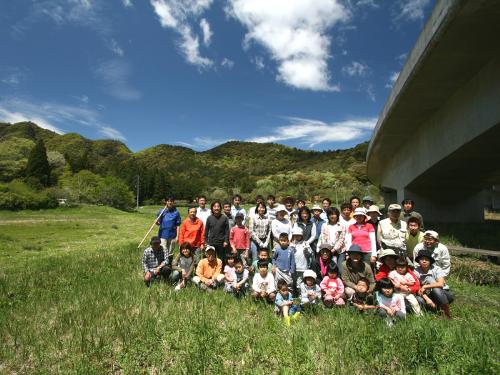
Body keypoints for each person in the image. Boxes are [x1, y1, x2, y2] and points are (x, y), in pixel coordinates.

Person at [414, 250, 454, 319]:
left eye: (426, 259)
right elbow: (417, 288)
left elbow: (441, 284)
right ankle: (433, 308)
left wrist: (426, 286)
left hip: (443, 294)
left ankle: (446, 314)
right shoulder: (416, 271)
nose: (424, 261)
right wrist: (427, 299)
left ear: (430, 261)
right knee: (419, 299)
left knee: (436, 289)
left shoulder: (436, 269)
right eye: (422, 259)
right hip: (427, 294)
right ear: (418, 261)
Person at [319, 207, 346, 273]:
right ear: (328, 216)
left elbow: (341, 239)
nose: (332, 216)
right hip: (328, 250)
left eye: (334, 214)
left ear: (337, 215)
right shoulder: (324, 225)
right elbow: (323, 238)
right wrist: (327, 249)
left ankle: (339, 282)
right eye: (330, 214)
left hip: (340, 250)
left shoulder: (342, 225)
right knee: (329, 269)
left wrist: (334, 249)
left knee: (340, 269)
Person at [155, 196, 181, 263]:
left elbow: (178, 225)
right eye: (168, 201)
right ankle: (162, 265)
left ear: (173, 202)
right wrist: (156, 222)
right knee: (163, 250)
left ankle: (169, 265)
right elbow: (158, 223)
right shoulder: (161, 211)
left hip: (172, 235)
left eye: (171, 201)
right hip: (163, 235)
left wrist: (177, 236)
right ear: (166, 202)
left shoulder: (176, 212)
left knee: (170, 252)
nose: (170, 202)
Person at [290, 227, 313, 292]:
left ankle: (300, 293)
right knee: (293, 280)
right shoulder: (292, 244)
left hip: (303, 266)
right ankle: (294, 292)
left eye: (299, 235)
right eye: (295, 235)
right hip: (294, 267)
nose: (297, 237)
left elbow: (310, 255)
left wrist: (306, 250)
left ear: (302, 235)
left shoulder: (305, 243)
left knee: (300, 281)